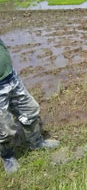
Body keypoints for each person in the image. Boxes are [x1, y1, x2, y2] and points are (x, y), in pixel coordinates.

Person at [0, 38, 59, 174]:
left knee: (30, 110)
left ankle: (36, 143)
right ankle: (7, 156)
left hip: (10, 76)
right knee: (4, 128)